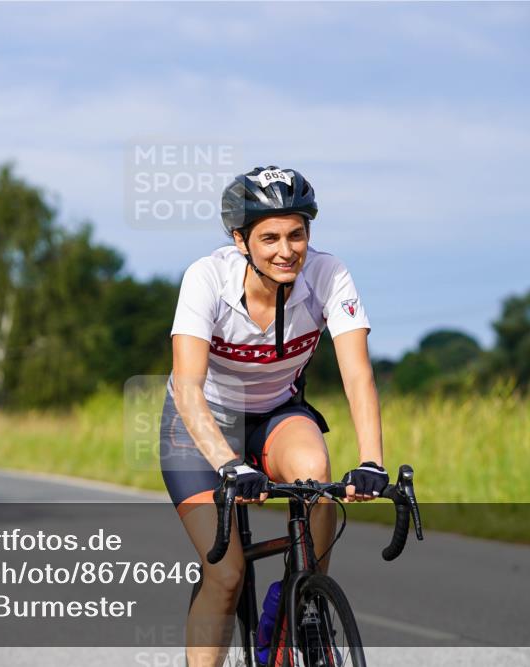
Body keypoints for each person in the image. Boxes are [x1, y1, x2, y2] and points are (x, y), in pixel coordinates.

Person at [160, 166, 388, 667]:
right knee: (226, 574)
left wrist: (372, 461)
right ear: (240, 241)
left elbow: (357, 376)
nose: (287, 251)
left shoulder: (329, 275)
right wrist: (229, 465)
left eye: (296, 234)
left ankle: (295, 607)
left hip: (276, 412)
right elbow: (189, 388)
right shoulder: (206, 278)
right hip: (201, 423)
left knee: (317, 475)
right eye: (269, 238)